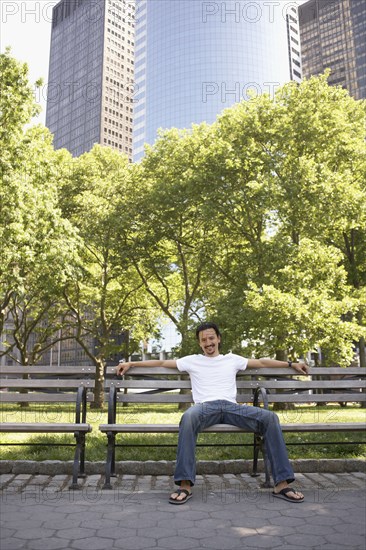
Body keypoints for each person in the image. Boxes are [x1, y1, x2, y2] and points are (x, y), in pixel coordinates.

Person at [117, 322, 308, 505]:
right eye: (204, 340)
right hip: (205, 408)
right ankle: (185, 485)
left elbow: (261, 362)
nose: (208, 343)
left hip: (231, 407)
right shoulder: (191, 360)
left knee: (270, 417)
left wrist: (291, 364)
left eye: (211, 338)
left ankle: (282, 485)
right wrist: (132, 364)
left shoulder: (232, 359)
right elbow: (162, 362)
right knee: (188, 417)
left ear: (218, 339)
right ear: (200, 343)